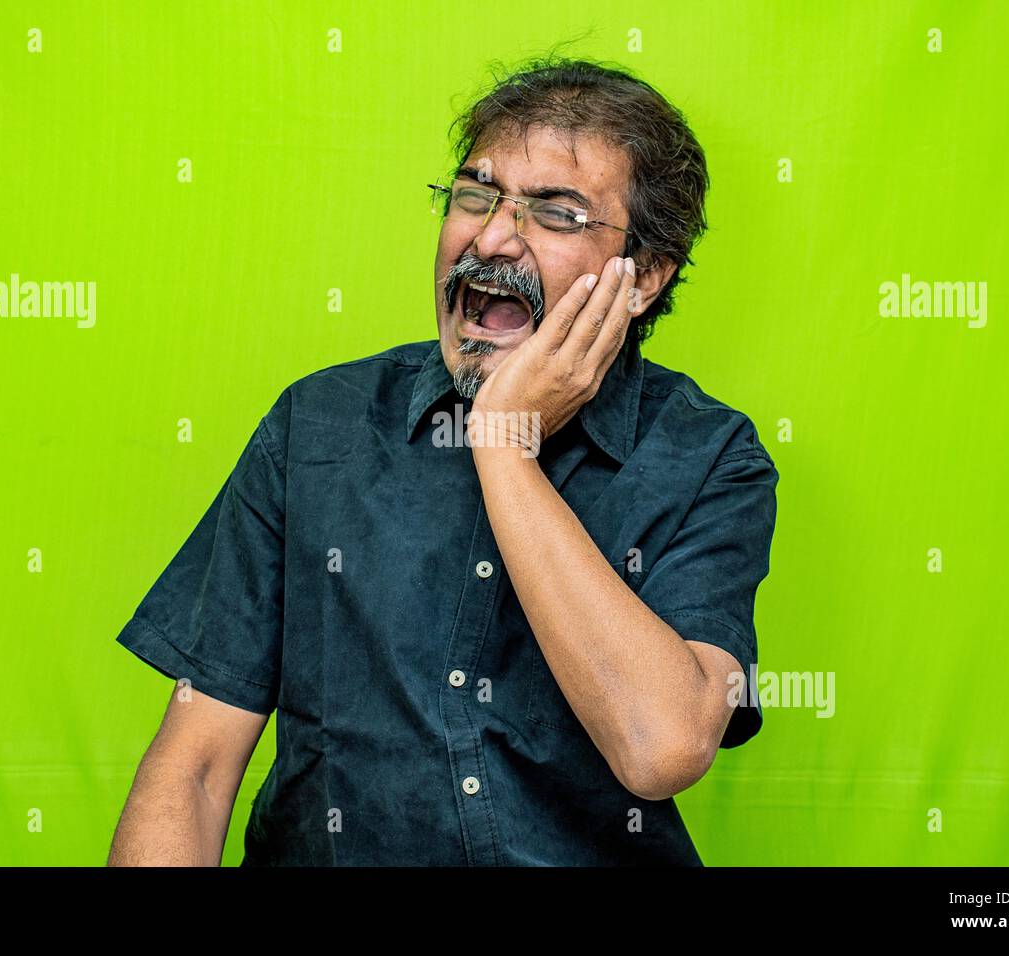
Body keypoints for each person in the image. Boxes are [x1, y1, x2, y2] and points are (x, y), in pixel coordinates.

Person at [108, 56, 778, 866]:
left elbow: (660, 748)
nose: (492, 237)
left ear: (645, 277)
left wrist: (505, 447)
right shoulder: (319, 426)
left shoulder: (708, 456)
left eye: (556, 214)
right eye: (475, 195)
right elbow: (197, 769)